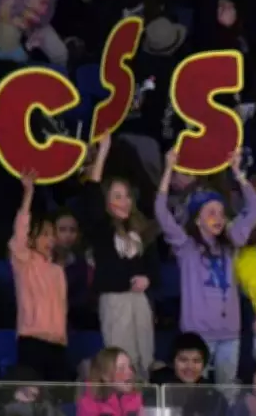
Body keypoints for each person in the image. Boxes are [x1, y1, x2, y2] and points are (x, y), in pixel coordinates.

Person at [156, 148, 256, 384]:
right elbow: (161, 213)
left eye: (222, 213)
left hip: (229, 334)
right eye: (211, 212)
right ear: (197, 219)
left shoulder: (231, 241)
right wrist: (168, 170)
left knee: (226, 392)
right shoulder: (186, 247)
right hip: (198, 334)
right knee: (196, 394)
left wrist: (238, 172)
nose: (219, 217)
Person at [84, 136, 158, 378]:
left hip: (140, 301)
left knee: (145, 360)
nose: (124, 202)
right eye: (117, 196)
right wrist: (103, 151)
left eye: (127, 196)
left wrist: (147, 279)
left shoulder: (141, 229)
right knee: (120, 362)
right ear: (106, 202)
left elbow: (153, 267)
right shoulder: (101, 229)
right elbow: (92, 192)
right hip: (115, 301)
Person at [10, 171, 70, 381]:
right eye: (44, 234)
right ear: (32, 238)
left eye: (52, 235)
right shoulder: (24, 262)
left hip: (58, 344)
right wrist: (28, 194)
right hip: (32, 341)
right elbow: (20, 231)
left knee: (58, 397)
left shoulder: (58, 270)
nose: (50, 240)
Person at [77, 347, 143, 416]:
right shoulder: (89, 405)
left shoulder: (138, 398)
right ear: (105, 376)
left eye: (130, 366)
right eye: (121, 368)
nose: (130, 372)